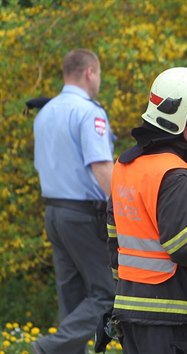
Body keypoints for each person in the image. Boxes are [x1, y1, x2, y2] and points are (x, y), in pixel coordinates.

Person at [106, 67, 187, 354]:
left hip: (133, 314)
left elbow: (114, 241)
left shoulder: (126, 167)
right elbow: (184, 244)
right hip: (174, 318)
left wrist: (120, 297)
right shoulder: (174, 173)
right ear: (177, 118)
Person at [32, 48, 115, 354]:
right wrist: (125, 207)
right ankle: (48, 348)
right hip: (82, 215)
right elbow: (101, 166)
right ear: (90, 72)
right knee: (107, 293)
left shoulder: (45, 112)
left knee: (73, 299)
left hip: (53, 212)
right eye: (100, 74)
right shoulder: (89, 112)